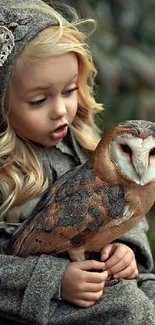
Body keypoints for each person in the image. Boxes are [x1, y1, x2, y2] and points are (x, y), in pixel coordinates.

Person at [0, 0, 155, 324]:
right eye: (39, 99)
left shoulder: (88, 144)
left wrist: (125, 250)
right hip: (28, 301)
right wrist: (53, 280)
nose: (60, 110)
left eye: (69, 91)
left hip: (94, 275)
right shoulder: (6, 169)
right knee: (129, 309)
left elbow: (126, 218)